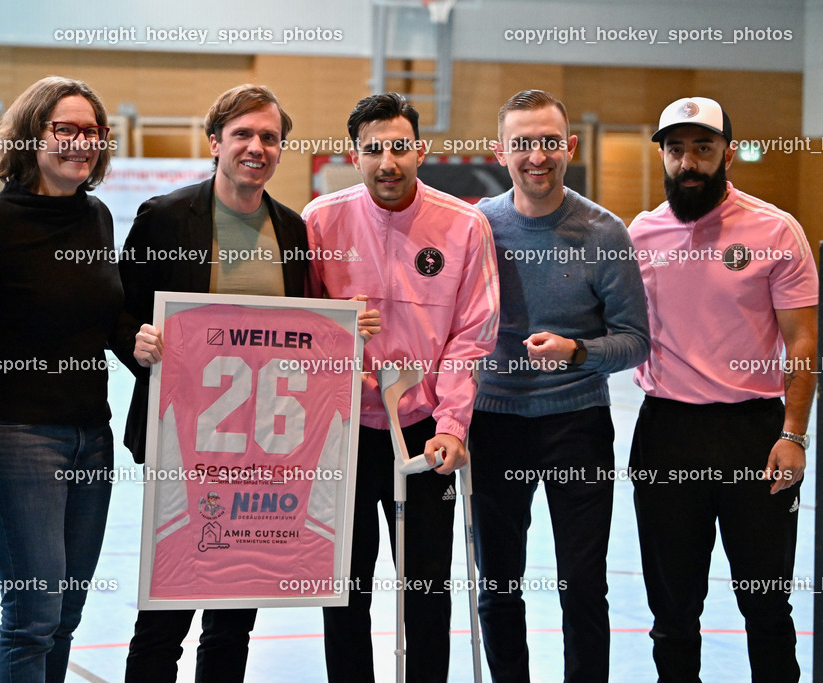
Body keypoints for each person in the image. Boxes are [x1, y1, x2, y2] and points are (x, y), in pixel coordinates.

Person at [120, 84, 379, 683]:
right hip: (180, 449)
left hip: (262, 452)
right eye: (243, 134)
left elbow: (304, 333)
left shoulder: (292, 231)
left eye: (269, 137)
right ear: (215, 143)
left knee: (234, 617)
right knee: (165, 610)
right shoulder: (163, 217)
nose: (256, 147)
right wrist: (136, 344)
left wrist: (347, 332)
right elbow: (120, 311)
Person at [302, 92, 500, 683]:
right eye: (373, 150)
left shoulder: (466, 226)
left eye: (399, 147)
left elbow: (473, 335)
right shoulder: (320, 221)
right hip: (343, 435)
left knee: (427, 591)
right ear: (353, 154)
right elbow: (302, 327)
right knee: (344, 591)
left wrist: (452, 426)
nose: (387, 162)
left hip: (425, 436)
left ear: (420, 150)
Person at [629, 96, 817, 682]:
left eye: (703, 147)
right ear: (662, 155)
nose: (689, 161)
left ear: (727, 155)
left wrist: (795, 435)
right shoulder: (640, 234)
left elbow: (804, 343)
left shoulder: (775, 230)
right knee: (672, 612)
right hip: (666, 432)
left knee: (765, 605)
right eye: (677, 148)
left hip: (753, 435)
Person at [468, 89, 650, 683]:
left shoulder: (605, 232)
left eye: (549, 141)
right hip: (493, 423)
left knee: (582, 589)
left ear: (568, 146)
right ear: (502, 151)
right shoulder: (478, 228)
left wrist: (578, 352)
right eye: (523, 143)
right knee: (498, 588)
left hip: (578, 424)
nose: (537, 156)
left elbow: (636, 341)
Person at [0, 76, 127, 682]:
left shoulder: (97, 218)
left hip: (93, 436)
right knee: (33, 615)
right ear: (33, 135)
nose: (80, 142)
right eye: (65, 128)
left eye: (91, 131)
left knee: (67, 615)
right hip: (16, 437)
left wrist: (139, 338)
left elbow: (104, 318)